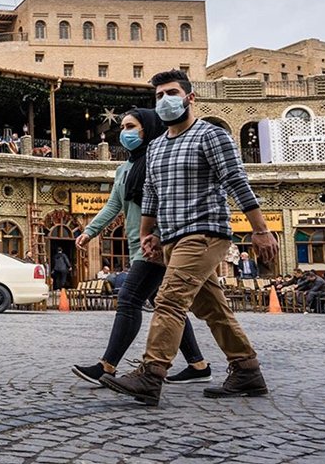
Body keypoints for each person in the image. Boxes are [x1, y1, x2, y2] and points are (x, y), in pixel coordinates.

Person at [100, 69, 278, 405]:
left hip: (205, 233)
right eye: (159, 96)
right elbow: (151, 194)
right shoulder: (155, 149)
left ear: (189, 98)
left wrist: (261, 230)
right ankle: (247, 370)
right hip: (171, 238)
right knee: (212, 308)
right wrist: (147, 234)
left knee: (168, 300)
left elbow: (236, 182)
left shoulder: (210, 136)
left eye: (171, 93)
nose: (165, 100)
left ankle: (151, 376)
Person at [72, 108, 211, 386]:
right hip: (138, 245)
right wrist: (89, 231)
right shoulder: (123, 169)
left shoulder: (158, 161)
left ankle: (107, 366)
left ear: (147, 129)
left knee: (129, 300)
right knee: (167, 305)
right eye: (122, 127)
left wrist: (160, 236)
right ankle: (197, 365)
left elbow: (169, 202)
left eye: (131, 126)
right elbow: (114, 206)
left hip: (157, 245)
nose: (125, 133)